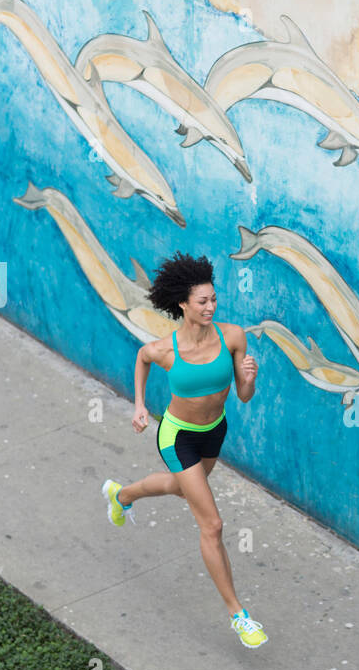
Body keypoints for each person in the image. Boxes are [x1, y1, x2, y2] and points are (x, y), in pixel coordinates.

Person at [101, 253, 266, 648]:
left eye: (213, 300)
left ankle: (122, 495)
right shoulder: (166, 350)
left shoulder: (234, 337)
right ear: (183, 305)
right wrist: (139, 405)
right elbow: (141, 359)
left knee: (181, 487)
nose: (211, 307)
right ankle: (239, 615)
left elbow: (243, 398)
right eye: (202, 302)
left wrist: (249, 379)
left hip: (215, 431)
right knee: (212, 524)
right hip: (178, 437)